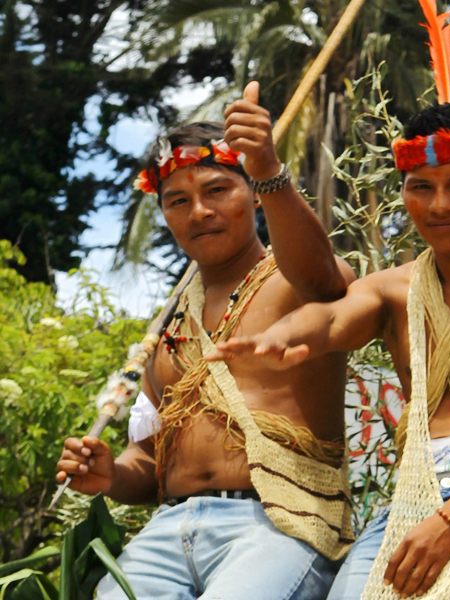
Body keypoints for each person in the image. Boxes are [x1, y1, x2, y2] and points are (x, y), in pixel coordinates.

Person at [208, 101, 450, 600]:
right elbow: (331, 317)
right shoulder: (393, 290)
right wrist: (287, 333)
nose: (440, 206)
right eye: (421, 188)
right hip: (410, 501)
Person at [55, 82, 356, 600]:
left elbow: (327, 281)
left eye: (217, 189)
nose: (198, 211)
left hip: (277, 523)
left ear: (251, 195)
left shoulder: (297, 283)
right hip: (166, 532)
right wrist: (110, 474)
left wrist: (267, 168)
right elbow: (149, 464)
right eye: (178, 200)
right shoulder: (164, 328)